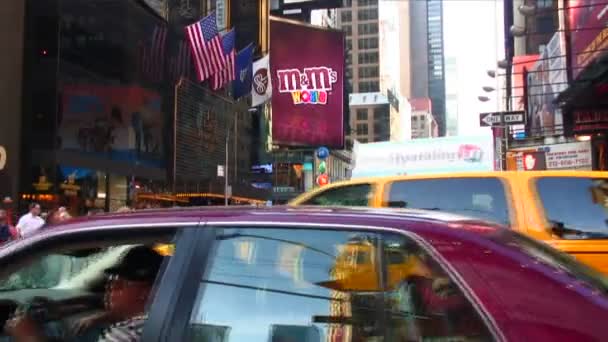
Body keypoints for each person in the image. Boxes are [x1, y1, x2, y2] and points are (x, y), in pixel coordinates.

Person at [5, 245, 165, 342]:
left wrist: (30, 337)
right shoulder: (160, 322)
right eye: (108, 284)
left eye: (118, 285)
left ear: (145, 293)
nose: (109, 289)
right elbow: (100, 300)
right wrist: (110, 314)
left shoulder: (127, 333)